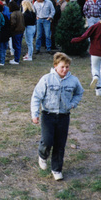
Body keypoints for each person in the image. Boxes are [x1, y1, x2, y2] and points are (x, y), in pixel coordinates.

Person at [31, 52, 84, 181]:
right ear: (55, 66)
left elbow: (79, 92)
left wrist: (73, 104)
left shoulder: (73, 80)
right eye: (62, 67)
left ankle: (57, 169)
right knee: (48, 140)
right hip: (48, 115)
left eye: (67, 67)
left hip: (64, 116)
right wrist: (35, 114)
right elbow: (36, 97)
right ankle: (42, 155)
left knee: (60, 144)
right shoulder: (46, 79)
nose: (65, 69)